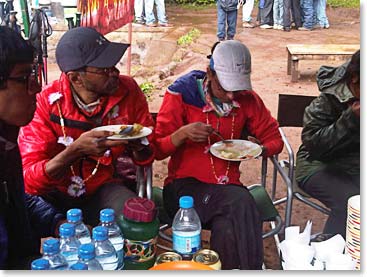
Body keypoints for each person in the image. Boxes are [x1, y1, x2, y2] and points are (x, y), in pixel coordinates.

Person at [154, 40, 283, 269]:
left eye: (237, 88)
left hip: (228, 195)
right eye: (225, 88)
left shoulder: (247, 99)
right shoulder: (181, 94)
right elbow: (156, 150)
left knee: (227, 226)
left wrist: (260, 148)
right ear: (210, 74)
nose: (232, 95)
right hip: (185, 193)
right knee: (242, 201)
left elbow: (275, 139)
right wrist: (181, 134)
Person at [18, 27, 155, 227]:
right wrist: (74, 152)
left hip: (103, 186)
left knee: (134, 220)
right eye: (104, 69)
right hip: (53, 193)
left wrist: (140, 145)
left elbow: (150, 152)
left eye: (114, 65)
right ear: (75, 78)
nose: (115, 73)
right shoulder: (45, 103)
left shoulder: (128, 90)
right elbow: (30, 179)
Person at [0, 26, 65, 269]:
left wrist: (57, 223)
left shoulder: (5, 141)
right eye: (25, 78)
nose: (37, 87)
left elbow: (13, 199)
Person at [295, 50, 360, 238]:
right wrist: (350, 119)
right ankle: (332, 252)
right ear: (355, 78)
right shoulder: (327, 100)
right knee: (351, 202)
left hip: (355, 165)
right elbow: (314, 146)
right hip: (316, 165)